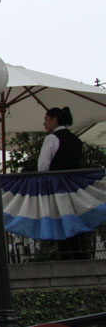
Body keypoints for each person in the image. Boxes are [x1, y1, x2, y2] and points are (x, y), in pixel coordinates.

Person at [39, 107, 93, 260]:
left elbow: (43, 166)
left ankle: (67, 255)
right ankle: (81, 254)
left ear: (54, 119)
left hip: (58, 187)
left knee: (62, 220)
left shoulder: (52, 139)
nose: (44, 123)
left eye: (46, 119)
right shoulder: (76, 140)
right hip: (76, 188)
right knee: (76, 219)